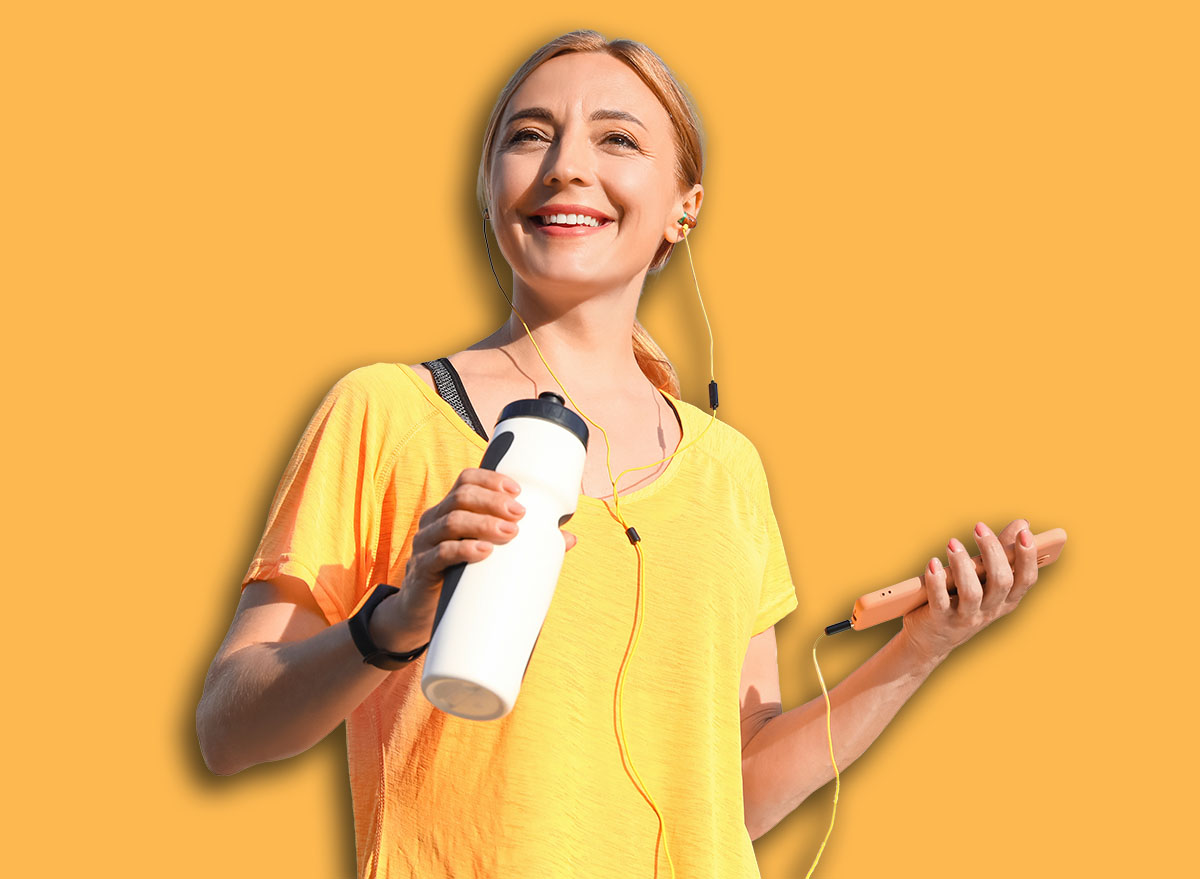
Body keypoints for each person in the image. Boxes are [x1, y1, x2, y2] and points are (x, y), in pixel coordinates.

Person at [196, 30, 1043, 878]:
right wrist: (396, 620)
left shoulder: (728, 470)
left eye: (618, 138)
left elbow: (732, 792)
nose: (566, 164)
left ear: (686, 204)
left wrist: (922, 645)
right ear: (490, 188)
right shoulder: (385, 411)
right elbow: (228, 728)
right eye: (530, 135)